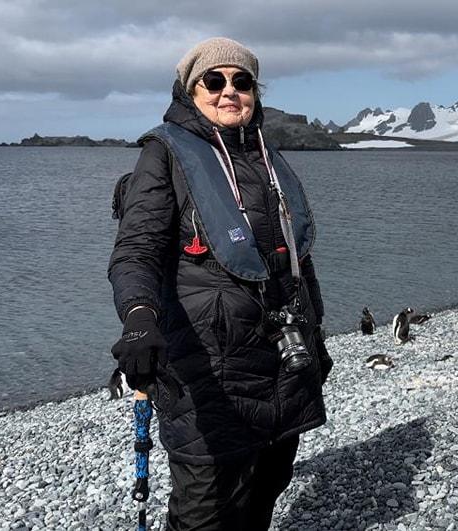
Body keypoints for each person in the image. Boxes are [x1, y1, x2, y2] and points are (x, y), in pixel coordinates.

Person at [108, 37, 332, 530]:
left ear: (255, 91)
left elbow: (298, 257)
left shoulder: (268, 159)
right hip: (206, 363)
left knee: (268, 483)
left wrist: (317, 341)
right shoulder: (164, 155)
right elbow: (135, 250)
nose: (229, 91)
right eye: (214, 80)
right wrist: (140, 320)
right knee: (205, 507)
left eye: (242, 81)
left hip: (281, 356)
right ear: (191, 91)